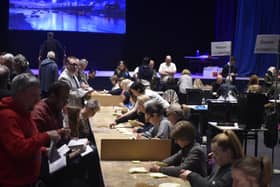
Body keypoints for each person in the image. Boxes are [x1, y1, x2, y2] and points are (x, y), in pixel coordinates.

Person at [0, 73, 66, 187]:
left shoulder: (24, 110)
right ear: (19, 94)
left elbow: (28, 140)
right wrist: (46, 136)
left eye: (38, 95)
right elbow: (18, 148)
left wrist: (42, 150)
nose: (38, 100)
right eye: (33, 95)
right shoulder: (7, 116)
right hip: (14, 182)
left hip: (27, 179)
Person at [179, 130, 244, 187]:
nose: (211, 155)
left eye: (216, 153)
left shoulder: (234, 172)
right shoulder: (220, 165)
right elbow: (209, 180)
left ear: (228, 152)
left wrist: (191, 176)